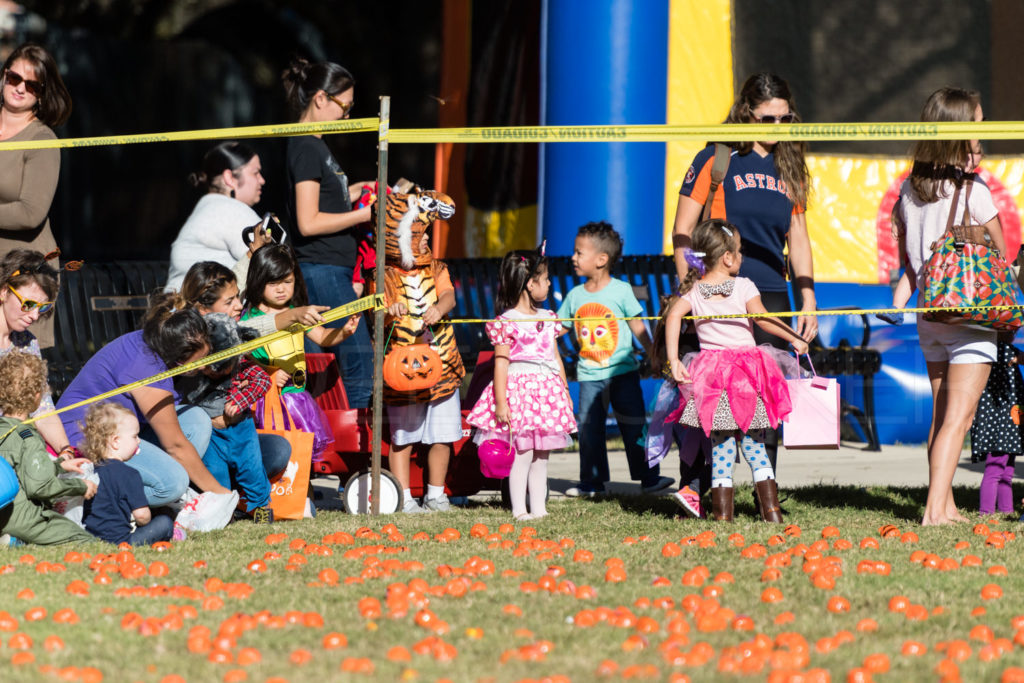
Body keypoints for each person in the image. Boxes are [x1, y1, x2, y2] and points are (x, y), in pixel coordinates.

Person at [671, 72, 817, 476]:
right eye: (766, 119)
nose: (776, 128)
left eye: (785, 119)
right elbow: (681, 231)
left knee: (767, 396)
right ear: (745, 114)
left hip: (769, 291)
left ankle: (763, 491)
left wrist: (808, 299)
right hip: (717, 289)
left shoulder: (790, 166)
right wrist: (693, 287)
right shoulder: (716, 158)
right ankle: (698, 486)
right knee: (710, 397)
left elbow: (799, 241)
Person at [891, 87, 1001, 526]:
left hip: (930, 314)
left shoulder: (909, 190)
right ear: (957, 131)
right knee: (961, 415)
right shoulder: (973, 189)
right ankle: (935, 509)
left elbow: (909, 264)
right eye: (976, 126)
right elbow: (1002, 248)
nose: (982, 136)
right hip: (970, 315)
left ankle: (946, 502)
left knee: (942, 414)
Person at [664, 219, 808, 522]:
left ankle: (722, 516)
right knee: (755, 443)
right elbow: (764, 320)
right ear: (728, 257)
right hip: (745, 379)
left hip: (711, 381)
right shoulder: (743, 286)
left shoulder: (695, 290)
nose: (741, 257)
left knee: (722, 449)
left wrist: (674, 359)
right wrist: (793, 337)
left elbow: (673, 316)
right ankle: (771, 512)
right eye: (739, 251)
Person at [55, 292, 237, 530]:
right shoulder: (149, 370)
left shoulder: (156, 340)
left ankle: (162, 500)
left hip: (123, 430)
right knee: (173, 483)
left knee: (195, 419)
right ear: (176, 358)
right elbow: (176, 445)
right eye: (196, 362)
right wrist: (221, 494)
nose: (203, 366)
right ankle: (102, 500)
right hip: (85, 436)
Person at [179, 260, 332, 479]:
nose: (239, 306)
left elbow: (256, 345)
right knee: (215, 461)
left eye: (238, 297)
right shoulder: (185, 341)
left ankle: (253, 494)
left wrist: (243, 394)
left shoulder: (233, 332)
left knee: (279, 449)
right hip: (202, 434)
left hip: (236, 427)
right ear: (203, 309)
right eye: (230, 301)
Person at [280, 56, 374, 409]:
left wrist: (357, 190)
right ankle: (361, 456)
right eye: (343, 107)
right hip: (322, 268)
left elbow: (324, 201)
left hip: (330, 269)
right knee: (358, 364)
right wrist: (366, 214)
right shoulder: (306, 145)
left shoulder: (315, 145)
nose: (346, 117)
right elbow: (309, 221)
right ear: (320, 98)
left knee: (341, 363)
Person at [556, 221, 673, 498]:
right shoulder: (574, 296)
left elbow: (638, 327)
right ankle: (592, 483)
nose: (573, 258)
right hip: (589, 376)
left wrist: (654, 356)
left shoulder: (621, 291)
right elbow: (558, 328)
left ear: (601, 259)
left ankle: (649, 478)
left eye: (579, 252)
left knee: (634, 426)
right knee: (589, 430)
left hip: (624, 374)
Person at [467, 249, 575, 520]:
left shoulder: (549, 317)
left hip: (545, 393)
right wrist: (501, 403)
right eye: (546, 278)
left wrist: (564, 390)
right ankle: (519, 509)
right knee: (522, 453)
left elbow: (555, 357)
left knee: (541, 456)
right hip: (519, 393)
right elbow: (501, 363)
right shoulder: (506, 322)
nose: (550, 283)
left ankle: (539, 508)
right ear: (530, 283)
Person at [375, 188, 464, 514]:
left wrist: (440, 308)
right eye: (418, 237)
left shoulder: (437, 268)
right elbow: (377, 311)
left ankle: (436, 494)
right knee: (404, 436)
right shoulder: (383, 276)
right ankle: (403, 498)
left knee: (442, 434)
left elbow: (449, 296)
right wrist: (388, 310)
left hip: (441, 364)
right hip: (403, 369)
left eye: (426, 235)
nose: (425, 241)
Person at [241, 244, 358, 462]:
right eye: (273, 283)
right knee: (269, 453)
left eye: (287, 282)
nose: (281, 289)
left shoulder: (297, 312)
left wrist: (344, 332)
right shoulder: (251, 318)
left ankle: (302, 494)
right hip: (265, 401)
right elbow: (243, 355)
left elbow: (322, 336)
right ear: (259, 281)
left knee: (300, 454)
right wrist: (268, 371)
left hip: (296, 397)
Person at [0, 43, 73, 349]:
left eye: (31, 85)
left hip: (24, 274)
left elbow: (31, 212)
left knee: (18, 378)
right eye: (14, 78)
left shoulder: (42, 139)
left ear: (42, 93)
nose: (20, 88)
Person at [181, 313, 274, 524]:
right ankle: (224, 513)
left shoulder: (242, 365)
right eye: (210, 367)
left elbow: (262, 381)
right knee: (215, 473)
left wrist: (240, 400)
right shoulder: (194, 373)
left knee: (252, 469)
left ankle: (261, 507)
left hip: (241, 430)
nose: (215, 373)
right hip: (211, 435)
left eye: (221, 368)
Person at [0, 352, 96, 546]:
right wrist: (81, 486)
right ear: (37, 397)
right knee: (84, 540)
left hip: (3, 511)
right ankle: (18, 541)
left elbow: (20, 469)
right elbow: (40, 487)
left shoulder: (3, 428)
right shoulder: (28, 437)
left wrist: (60, 465)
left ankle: (15, 541)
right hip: (21, 518)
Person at [0, 249, 77, 457]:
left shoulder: (26, 343)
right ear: (4, 291)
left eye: (42, 308)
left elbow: (42, 409)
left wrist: (65, 450)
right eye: (29, 304)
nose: (34, 316)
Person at [165, 142, 267, 292]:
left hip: (178, 309)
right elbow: (273, 268)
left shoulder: (207, 206)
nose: (262, 180)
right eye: (255, 173)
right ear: (229, 177)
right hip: (202, 312)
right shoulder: (231, 209)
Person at [80, 402, 175, 545]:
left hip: (92, 539)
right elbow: (142, 516)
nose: (139, 441)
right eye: (135, 436)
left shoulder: (91, 470)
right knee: (165, 521)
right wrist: (147, 519)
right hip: (122, 542)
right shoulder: (130, 474)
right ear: (116, 441)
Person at [969, 337, 1022, 516]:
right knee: (995, 468)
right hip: (1001, 422)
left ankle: (1006, 509)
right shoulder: (1001, 349)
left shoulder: (992, 348)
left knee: (1007, 470)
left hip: (1008, 422)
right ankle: (986, 512)